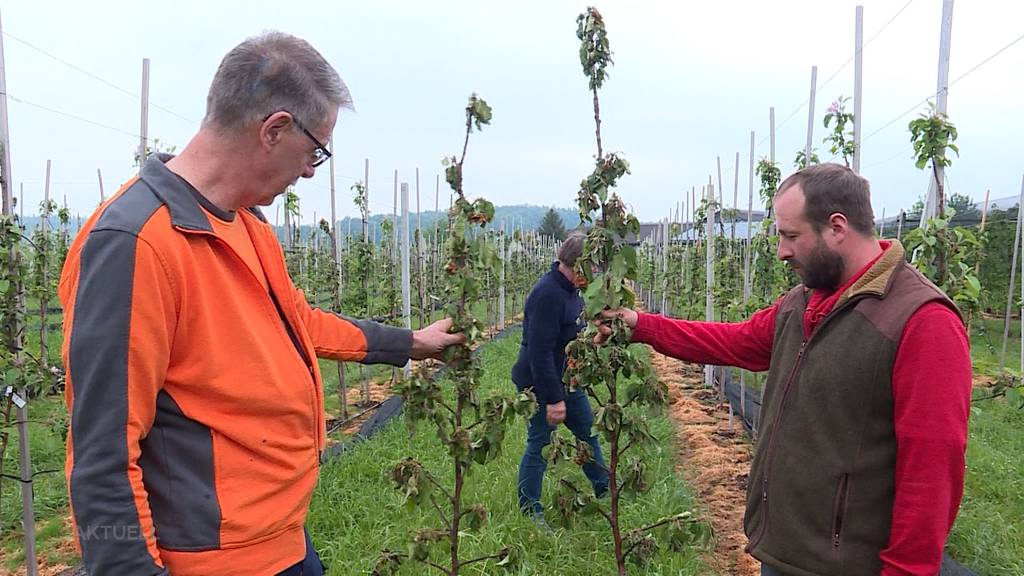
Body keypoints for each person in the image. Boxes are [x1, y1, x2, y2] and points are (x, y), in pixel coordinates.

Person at [59, 32, 463, 576]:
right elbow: (102, 451)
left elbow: (299, 323)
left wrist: (411, 343)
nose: (311, 171)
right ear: (274, 129)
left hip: (282, 540)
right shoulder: (135, 243)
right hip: (210, 560)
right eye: (315, 150)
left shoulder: (246, 225)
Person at [599, 163, 971, 576]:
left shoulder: (922, 321)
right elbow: (733, 341)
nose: (781, 251)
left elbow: (932, 468)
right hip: (783, 551)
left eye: (791, 236)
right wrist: (642, 325)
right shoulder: (804, 302)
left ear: (837, 227)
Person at [512, 231, 609, 526]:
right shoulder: (547, 294)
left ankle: (606, 492)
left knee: (587, 433)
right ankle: (531, 512)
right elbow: (539, 353)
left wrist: (591, 339)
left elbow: (567, 334)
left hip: (568, 378)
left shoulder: (571, 290)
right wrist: (553, 399)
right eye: (591, 266)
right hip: (541, 381)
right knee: (540, 443)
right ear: (577, 264)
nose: (595, 272)